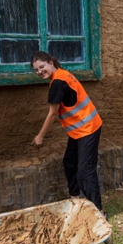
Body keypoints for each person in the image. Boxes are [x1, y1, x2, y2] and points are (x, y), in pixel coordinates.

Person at [31, 51, 104, 212]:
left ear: (51, 63)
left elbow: (52, 114)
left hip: (88, 128)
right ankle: (75, 199)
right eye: (36, 69)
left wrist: (40, 136)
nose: (39, 71)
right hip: (79, 130)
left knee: (85, 171)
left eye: (42, 67)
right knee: (70, 163)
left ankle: (98, 211)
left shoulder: (58, 82)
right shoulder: (61, 75)